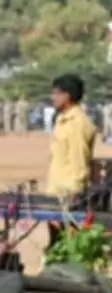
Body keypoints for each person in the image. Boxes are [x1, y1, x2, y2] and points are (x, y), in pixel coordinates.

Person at [45, 74, 99, 245]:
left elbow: (79, 159)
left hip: (68, 192)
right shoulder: (62, 119)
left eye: (56, 93)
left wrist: (75, 191)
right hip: (56, 189)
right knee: (55, 240)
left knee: (68, 241)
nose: (53, 97)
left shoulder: (78, 123)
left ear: (67, 95)